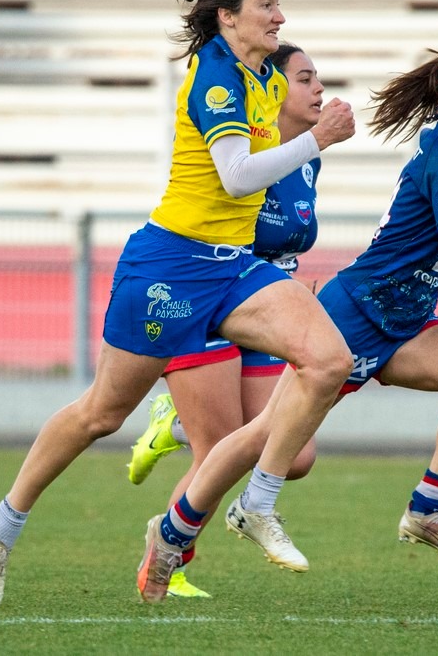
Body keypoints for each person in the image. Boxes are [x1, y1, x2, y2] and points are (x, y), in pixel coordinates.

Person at [0, 0, 356, 608]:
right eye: (267, 5)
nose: (279, 16)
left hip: (233, 267)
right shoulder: (216, 76)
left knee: (329, 360)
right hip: (170, 264)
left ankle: (255, 505)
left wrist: (310, 140)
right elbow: (235, 177)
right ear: (228, 16)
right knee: (101, 413)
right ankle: (1, 523)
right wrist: (317, 139)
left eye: (279, 4)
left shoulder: (262, 75)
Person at [136, 49, 438, 603]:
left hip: (404, 322)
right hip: (355, 314)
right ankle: (172, 534)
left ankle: (427, 508)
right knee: (260, 438)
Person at [124, 42, 327, 599]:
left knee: (296, 454)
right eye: (306, 78)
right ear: (271, 91)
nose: (319, 90)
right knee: (220, 447)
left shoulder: (308, 159)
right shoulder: (238, 148)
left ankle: (177, 427)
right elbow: (217, 208)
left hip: (262, 309)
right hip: (209, 296)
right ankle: (169, 560)